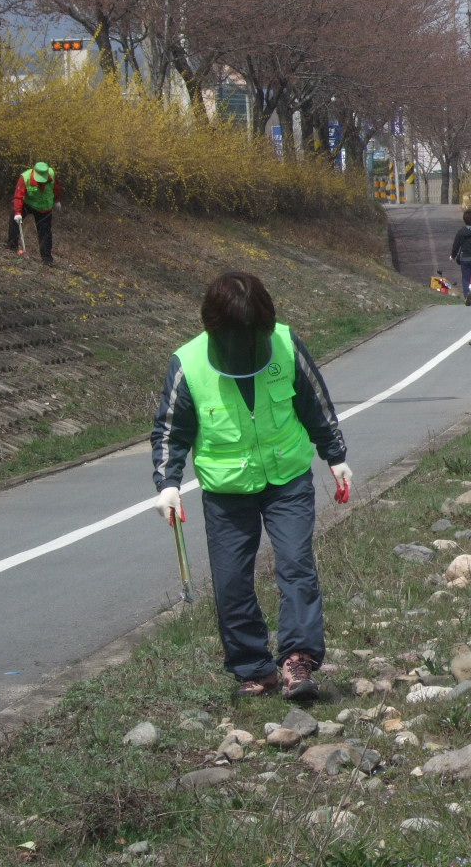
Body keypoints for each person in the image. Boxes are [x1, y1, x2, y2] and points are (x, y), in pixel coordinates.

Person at [150, 271, 352, 701]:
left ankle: (298, 661)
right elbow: (170, 429)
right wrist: (167, 483)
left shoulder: (284, 343)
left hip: (287, 479)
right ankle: (254, 668)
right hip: (226, 491)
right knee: (231, 582)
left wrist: (335, 457)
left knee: (296, 565)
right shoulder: (190, 364)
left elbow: (315, 402)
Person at [7, 161, 58, 266]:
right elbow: (18, 196)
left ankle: (47, 259)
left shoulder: (52, 175)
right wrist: (17, 212)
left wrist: (58, 200)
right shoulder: (25, 178)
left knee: (45, 232)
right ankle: (12, 247)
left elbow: (57, 188)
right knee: (14, 219)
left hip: (44, 208)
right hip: (28, 203)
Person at [450, 209, 471, 303]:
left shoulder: (461, 232)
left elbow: (456, 245)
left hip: (465, 258)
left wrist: (453, 255)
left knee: (466, 277)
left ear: (464, 220)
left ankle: (467, 293)